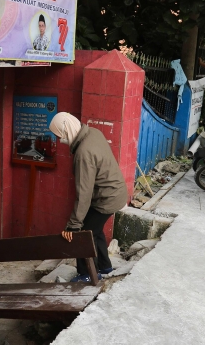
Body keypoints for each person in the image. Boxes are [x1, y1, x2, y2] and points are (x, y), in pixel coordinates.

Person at [49, 112, 128, 283]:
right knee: (95, 230)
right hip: (115, 192)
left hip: (107, 198)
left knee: (83, 234)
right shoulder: (93, 132)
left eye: (59, 135)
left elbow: (83, 194)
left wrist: (73, 227)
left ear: (67, 130)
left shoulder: (83, 153)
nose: (59, 140)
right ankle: (105, 267)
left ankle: (87, 274)